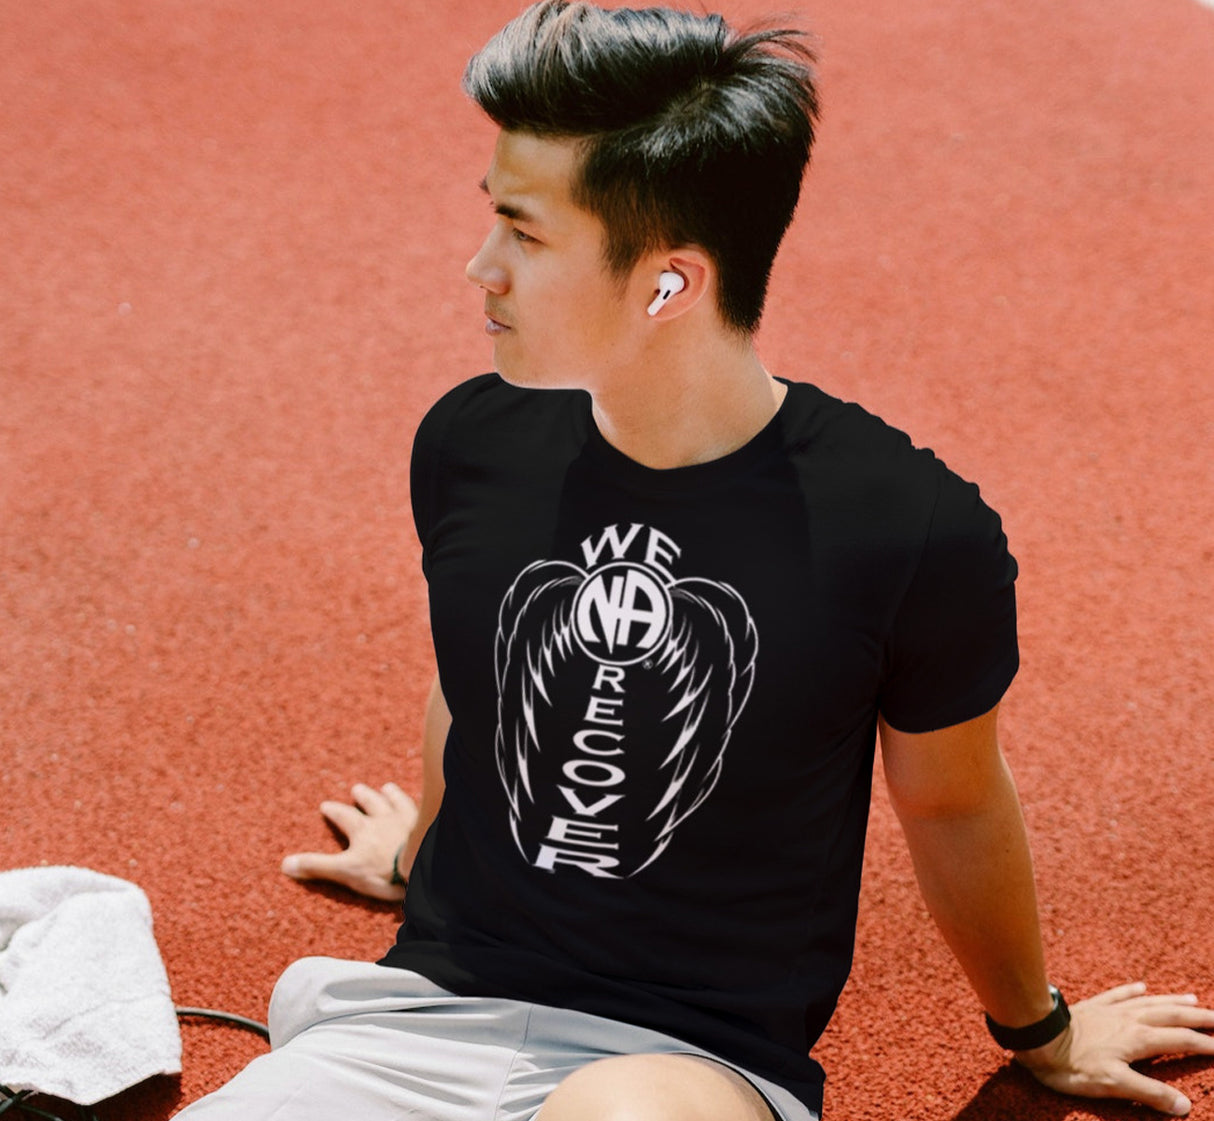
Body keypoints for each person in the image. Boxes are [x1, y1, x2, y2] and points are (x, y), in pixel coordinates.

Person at [177, 3, 1214, 1118]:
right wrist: (424, 850)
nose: (478, 267)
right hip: (423, 1022)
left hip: (683, 1063)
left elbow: (952, 802)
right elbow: (469, 680)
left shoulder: (901, 522)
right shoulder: (471, 442)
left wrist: (1038, 1028)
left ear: (668, 283)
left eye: (523, 235)